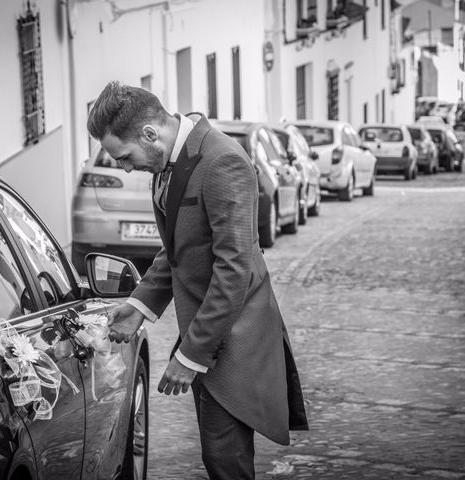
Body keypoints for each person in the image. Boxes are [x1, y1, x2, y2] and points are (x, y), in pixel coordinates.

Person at [87, 81, 308, 479]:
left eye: (124, 156)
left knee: (226, 461)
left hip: (235, 336)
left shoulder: (222, 161)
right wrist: (139, 306)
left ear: (150, 134)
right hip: (207, 331)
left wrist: (190, 356)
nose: (124, 167)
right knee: (219, 456)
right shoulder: (167, 159)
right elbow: (180, 250)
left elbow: (233, 269)